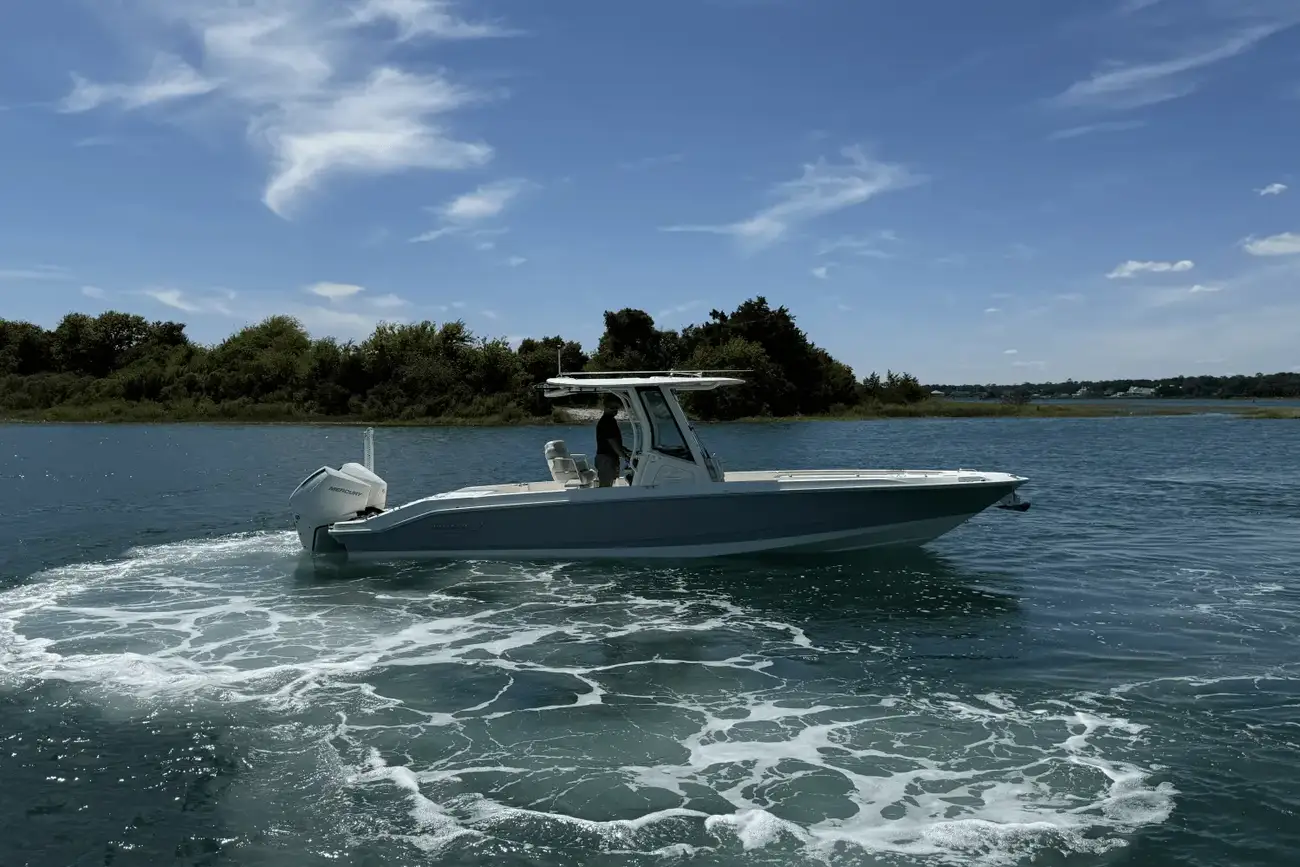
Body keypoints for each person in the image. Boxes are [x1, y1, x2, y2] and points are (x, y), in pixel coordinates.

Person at [595, 396, 631, 487]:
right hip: (606, 459)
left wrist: (625, 450)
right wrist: (624, 456)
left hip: (611, 457)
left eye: (617, 408)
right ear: (606, 407)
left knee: (610, 484)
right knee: (605, 486)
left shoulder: (611, 421)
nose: (615, 410)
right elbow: (612, 442)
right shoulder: (606, 422)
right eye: (612, 408)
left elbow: (614, 441)